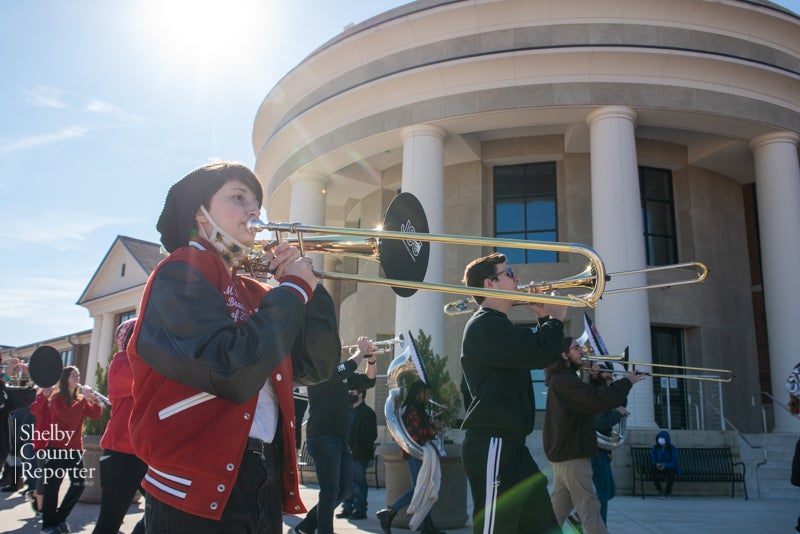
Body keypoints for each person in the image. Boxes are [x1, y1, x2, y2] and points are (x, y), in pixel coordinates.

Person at [127, 162, 340, 533]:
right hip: (194, 483)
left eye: (256, 203)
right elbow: (230, 369)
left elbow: (315, 367)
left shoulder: (255, 293)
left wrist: (312, 290)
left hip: (262, 476)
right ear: (200, 212)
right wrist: (291, 291)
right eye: (238, 198)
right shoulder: (179, 274)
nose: (253, 211)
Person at [459, 252, 567, 534]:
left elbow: (535, 351)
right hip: (493, 442)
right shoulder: (484, 325)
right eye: (509, 273)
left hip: (511, 445)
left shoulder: (498, 325)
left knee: (543, 524)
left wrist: (544, 316)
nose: (517, 278)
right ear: (489, 284)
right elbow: (538, 352)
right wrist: (554, 319)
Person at [543, 338, 644, 534]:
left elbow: (592, 397)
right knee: (590, 509)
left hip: (565, 455)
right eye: (576, 348)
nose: (582, 351)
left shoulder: (565, 379)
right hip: (573, 456)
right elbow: (594, 400)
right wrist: (627, 381)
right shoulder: (565, 380)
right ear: (565, 355)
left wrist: (598, 378)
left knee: (557, 511)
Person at [294, 336, 377, 534]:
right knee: (330, 491)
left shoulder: (342, 374)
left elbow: (369, 381)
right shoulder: (319, 370)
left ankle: (308, 525)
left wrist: (371, 359)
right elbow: (346, 367)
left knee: (345, 489)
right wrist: (361, 351)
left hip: (339, 438)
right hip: (322, 438)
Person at [92, 318, 145, 534]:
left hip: (145, 453)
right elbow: (141, 381)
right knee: (109, 522)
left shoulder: (147, 362)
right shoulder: (121, 363)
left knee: (158, 515)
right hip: (121, 455)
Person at [376, 381, 445, 534]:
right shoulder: (412, 410)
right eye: (426, 393)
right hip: (415, 455)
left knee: (425, 488)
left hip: (420, 454)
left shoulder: (417, 409)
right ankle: (389, 513)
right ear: (417, 394)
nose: (429, 396)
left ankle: (427, 525)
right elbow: (416, 436)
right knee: (419, 489)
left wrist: (434, 427)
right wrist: (433, 427)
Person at [40, 366, 103, 534]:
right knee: (53, 488)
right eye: (73, 375)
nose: (77, 378)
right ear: (65, 378)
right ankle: (48, 525)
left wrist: (96, 401)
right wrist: (84, 401)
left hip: (74, 449)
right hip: (57, 448)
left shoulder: (80, 399)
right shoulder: (57, 398)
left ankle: (60, 518)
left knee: (79, 484)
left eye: (78, 375)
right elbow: (67, 416)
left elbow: (95, 415)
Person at [589, 361, 628, 526]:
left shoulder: (604, 391)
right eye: (606, 373)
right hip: (595, 450)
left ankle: (578, 517)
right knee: (604, 492)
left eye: (610, 373)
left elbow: (620, 404)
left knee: (609, 491)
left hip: (602, 450)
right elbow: (599, 422)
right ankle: (600, 528)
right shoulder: (595, 393)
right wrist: (617, 414)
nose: (610, 376)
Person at [338, 384, 377, 520]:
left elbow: (371, 435)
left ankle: (360, 510)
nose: (349, 395)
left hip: (359, 455)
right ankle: (347, 508)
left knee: (359, 483)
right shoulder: (348, 411)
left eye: (352, 392)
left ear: (360, 394)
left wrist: (360, 449)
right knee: (346, 483)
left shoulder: (368, 413)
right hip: (346, 454)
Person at [650, 430, 680, 498]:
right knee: (653, 471)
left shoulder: (672, 448)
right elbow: (653, 459)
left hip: (669, 467)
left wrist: (665, 466)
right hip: (659, 466)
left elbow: (674, 462)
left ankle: (668, 491)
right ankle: (660, 490)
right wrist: (657, 464)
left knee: (671, 473)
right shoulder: (656, 448)